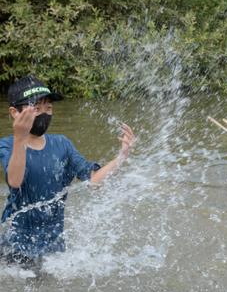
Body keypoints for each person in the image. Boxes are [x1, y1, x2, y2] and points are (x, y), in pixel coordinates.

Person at [0, 75, 135, 270]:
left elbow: (94, 181)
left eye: (49, 108)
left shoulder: (62, 144)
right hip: (15, 248)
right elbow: (14, 180)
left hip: (53, 249)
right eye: (36, 109)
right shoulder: (7, 144)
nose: (44, 114)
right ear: (15, 112)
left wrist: (121, 156)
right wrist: (20, 139)